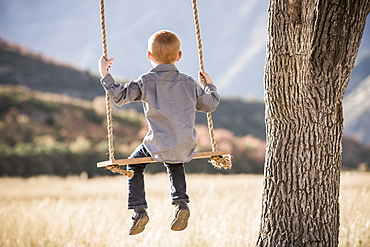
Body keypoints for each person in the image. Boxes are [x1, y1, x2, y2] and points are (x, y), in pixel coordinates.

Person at [98, 30, 220, 235]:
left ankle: (139, 210)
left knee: (133, 165)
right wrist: (210, 85)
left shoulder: (146, 81)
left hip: (157, 143)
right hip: (186, 143)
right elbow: (210, 104)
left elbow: (119, 97)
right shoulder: (189, 82)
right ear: (179, 56)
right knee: (175, 160)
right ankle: (181, 204)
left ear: (149, 55)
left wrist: (105, 74)